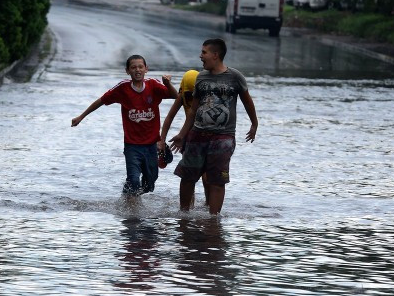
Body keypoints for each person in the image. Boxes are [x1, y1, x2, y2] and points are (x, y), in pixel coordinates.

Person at [169, 38, 258, 214]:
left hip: (223, 137)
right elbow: (193, 111)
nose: (200, 56)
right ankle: (183, 216)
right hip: (197, 134)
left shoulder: (235, 77)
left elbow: (248, 102)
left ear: (215, 55)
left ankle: (213, 221)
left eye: (204, 52)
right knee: (187, 177)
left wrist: (254, 124)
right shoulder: (201, 77)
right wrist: (182, 135)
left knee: (217, 180)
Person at [71, 55, 177, 195]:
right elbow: (101, 100)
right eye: (133, 67)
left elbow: (175, 95)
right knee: (133, 180)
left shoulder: (153, 85)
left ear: (146, 69)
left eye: (140, 67)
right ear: (127, 71)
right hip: (132, 146)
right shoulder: (122, 89)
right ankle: (131, 207)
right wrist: (81, 116)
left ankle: (128, 197)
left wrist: (168, 83)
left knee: (149, 184)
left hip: (151, 144)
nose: (137, 70)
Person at [159, 69, 210, 207]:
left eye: (194, 93)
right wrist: (162, 140)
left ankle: (208, 204)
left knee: (207, 177)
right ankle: (189, 205)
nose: (192, 96)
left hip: (206, 138)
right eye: (188, 93)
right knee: (189, 176)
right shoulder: (182, 96)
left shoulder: (205, 97)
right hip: (188, 138)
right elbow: (169, 117)